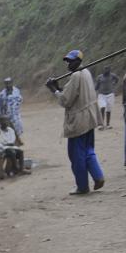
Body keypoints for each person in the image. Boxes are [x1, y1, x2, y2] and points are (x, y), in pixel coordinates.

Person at [47, 50, 105, 195]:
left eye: (71, 60)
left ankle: (82, 186)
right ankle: (98, 176)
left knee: (76, 155)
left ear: (79, 61)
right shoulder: (85, 73)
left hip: (79, 121)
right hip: (90, 118)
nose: (68, 63)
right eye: (67, 60)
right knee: (88, 150)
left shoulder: (76, 76)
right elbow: (72, 93)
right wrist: (59, 87)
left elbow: (66, 101)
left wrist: (53, 90)